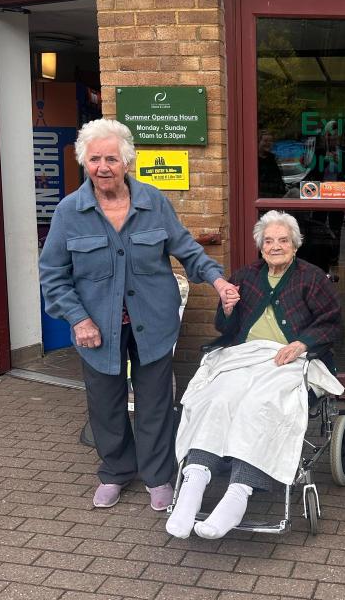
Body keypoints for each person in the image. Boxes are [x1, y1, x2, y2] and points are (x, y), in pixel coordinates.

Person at [39, 118, 239, 511]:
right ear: (84, 162)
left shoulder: (153, 202)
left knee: (155, 402)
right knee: (106, 403)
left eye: (111, 158)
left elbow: (187, 250)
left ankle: (157, 474)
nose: (103, 167)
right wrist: (78, 319)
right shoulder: (69, 212)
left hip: (154, 324)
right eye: (94, 159)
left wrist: (218, 282)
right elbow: (53, 274)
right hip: (96, 328)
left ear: (126, 162)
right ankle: (115, 470)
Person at [165, 210, 342, 540]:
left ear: (295, 244)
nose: (276, 246)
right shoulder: (245, 277)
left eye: (283, 240)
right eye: (269, 241)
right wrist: (228, 308)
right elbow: (225, 328)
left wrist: (302, 344)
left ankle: (238, 493)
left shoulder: (312, 278)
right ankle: (194, 482)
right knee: (215, 398)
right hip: (244, 357)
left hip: (287, 360)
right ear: (260, 247)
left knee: (259, 405)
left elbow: (332, 324)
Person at [257, 130, 286, 197]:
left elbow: (278, 178)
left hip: (274, 195)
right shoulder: (253, 159)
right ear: (258, 142)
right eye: (265, 141)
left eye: (271, 141)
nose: (269, 143)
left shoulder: (273, 158)